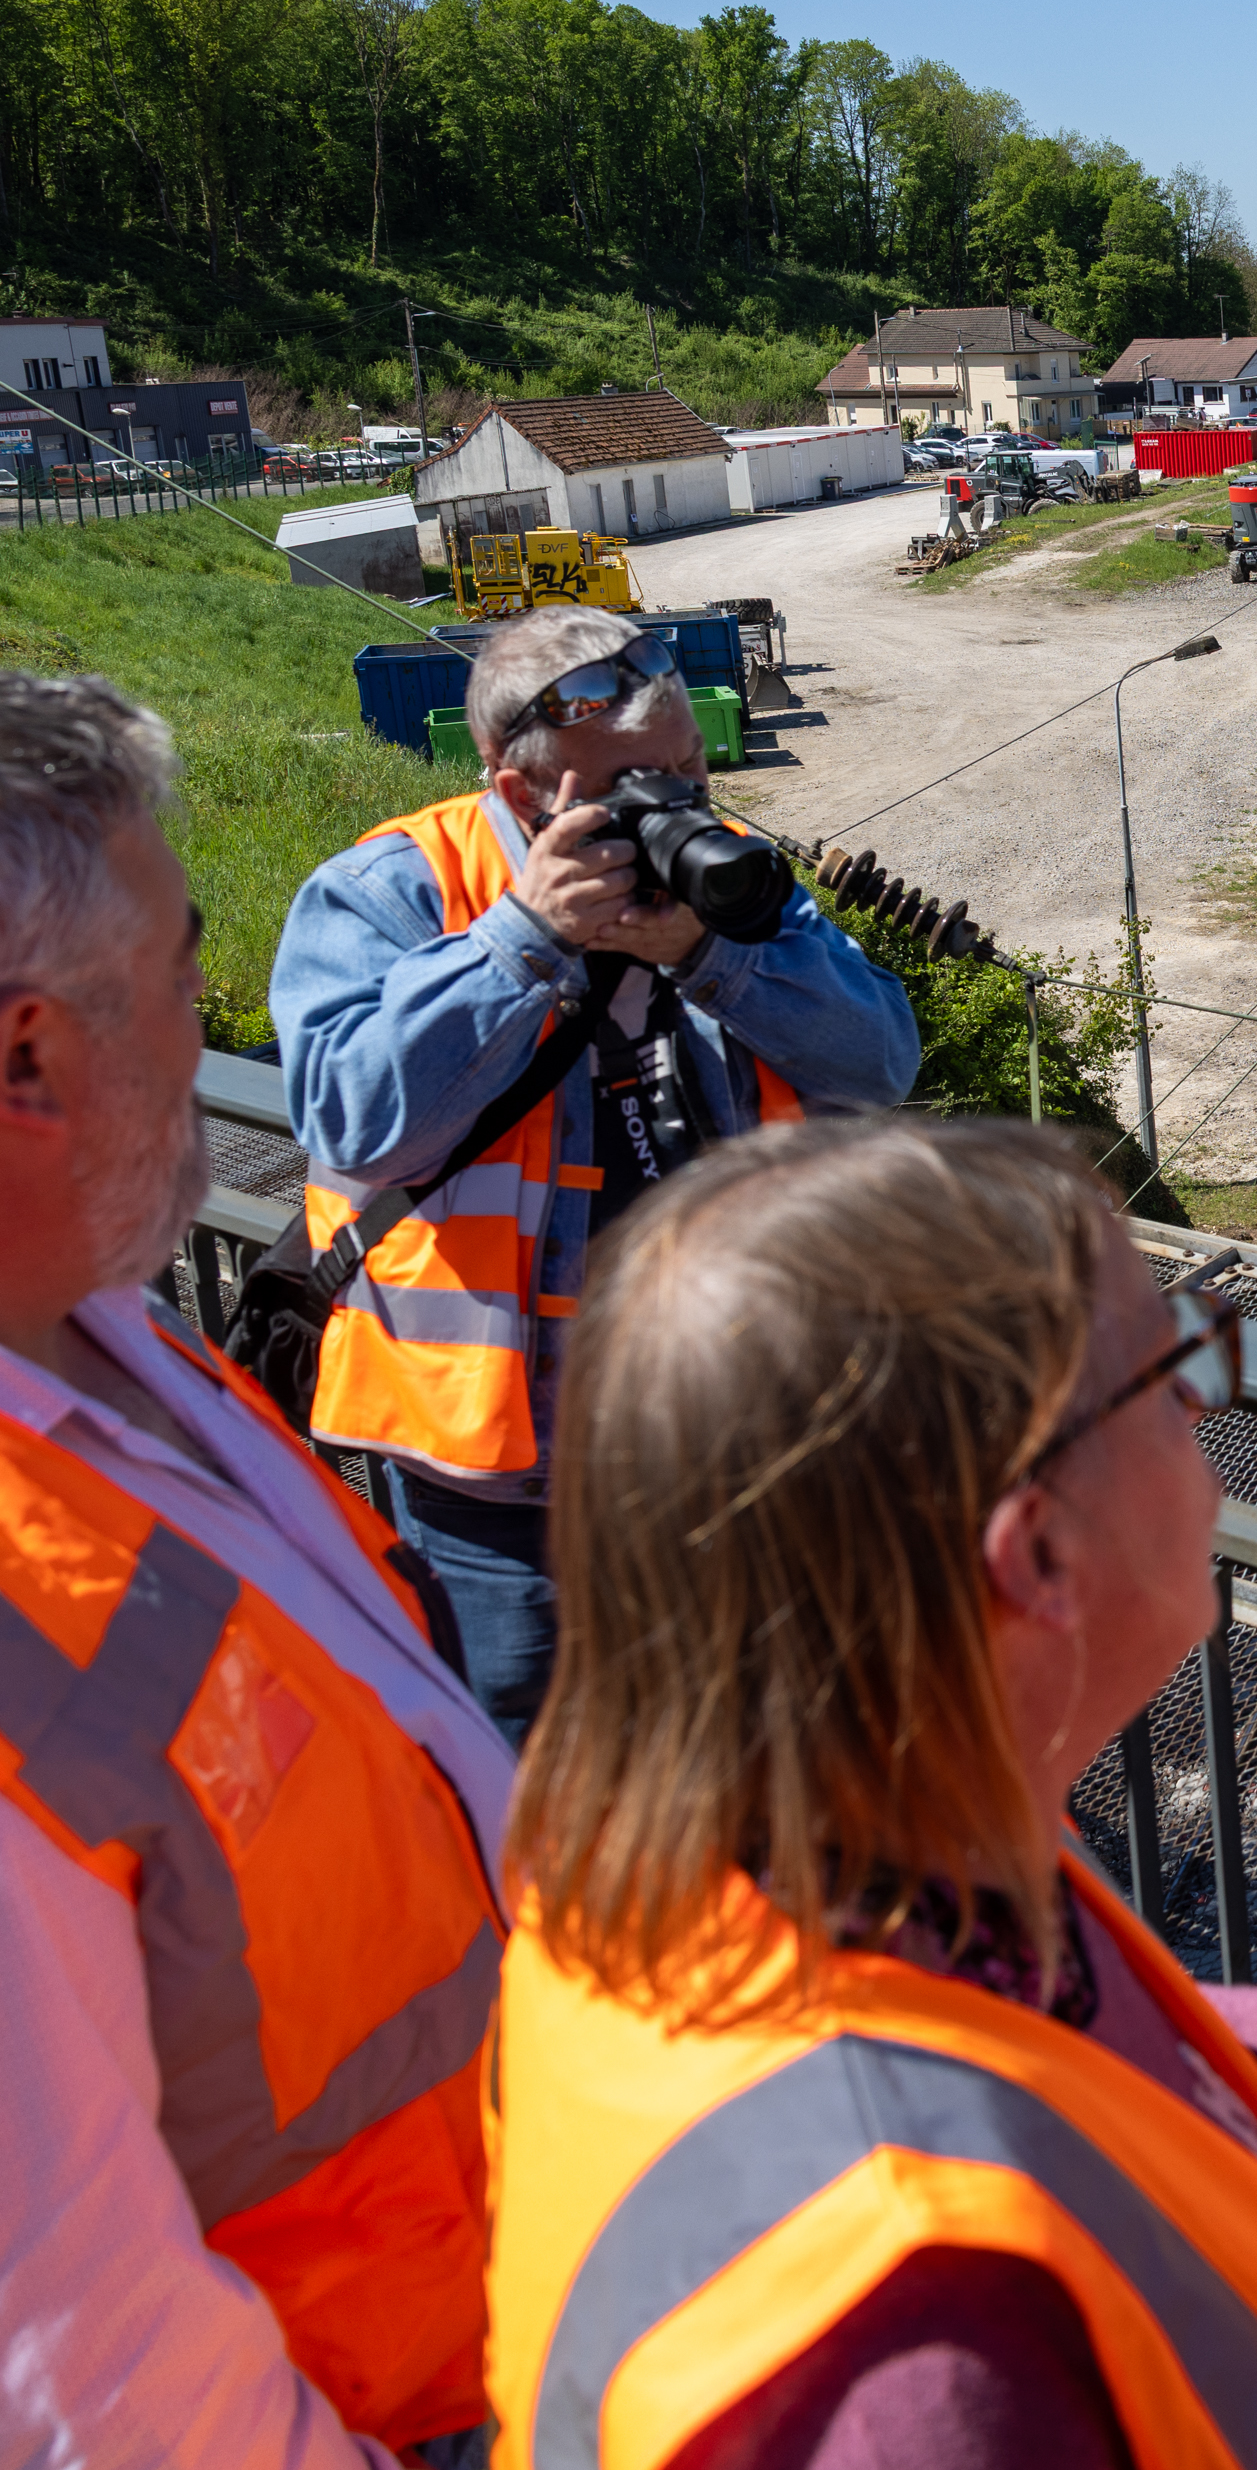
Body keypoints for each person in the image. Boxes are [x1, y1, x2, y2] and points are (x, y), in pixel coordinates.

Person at [485, 1114, 1257, 2466]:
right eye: (1174, 1370)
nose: (1214, 1395)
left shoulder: (746, 1852)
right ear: (1037, 1559)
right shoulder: (922, 2350)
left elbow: (1017, 2052)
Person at [0, 670, 517, 2462]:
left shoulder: (116, 1349)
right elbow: (81, 2358)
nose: (209, 1029)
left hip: (507, 2324)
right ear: (28, 1059)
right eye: (174, 982)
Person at [271, 603, 919, 1742]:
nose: (679, 809)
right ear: (522, 793)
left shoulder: (730, 888)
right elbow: (349, 1119)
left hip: (745, 1466)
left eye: (688, 770)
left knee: (755, 1808)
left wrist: (717, 957)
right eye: (636, 786)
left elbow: (879, 1062)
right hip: (510, 1511)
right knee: (536, 1827)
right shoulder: (393, 891)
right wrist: (519, 945)